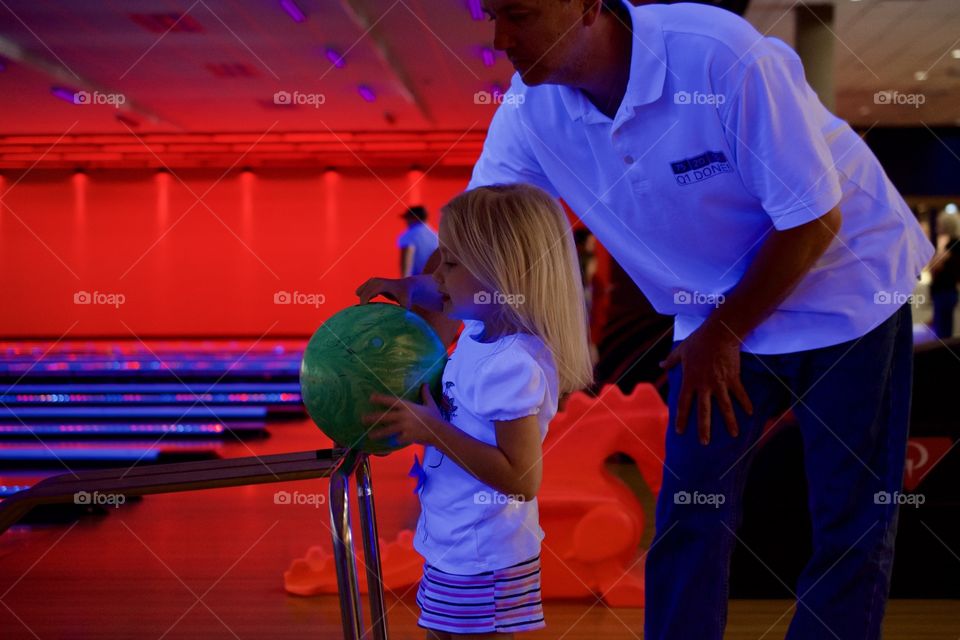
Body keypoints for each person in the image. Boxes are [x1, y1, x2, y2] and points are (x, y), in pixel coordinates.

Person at [457, 1, 934, 638]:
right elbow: (483, 230)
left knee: (850, 518)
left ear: (588, 8)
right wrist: (420, 316)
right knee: (691, 512)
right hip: (713, 313)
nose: (498, 39)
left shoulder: (718, 55)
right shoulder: (530, 108)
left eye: (518, 15)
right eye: (492, 16)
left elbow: (815, 219)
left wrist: (724, 332)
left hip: (848, 285)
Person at [358, 184, 593, 639]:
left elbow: (522, 478)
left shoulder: (511, 365)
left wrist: (432, 430)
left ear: (499, 275)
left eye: (449, 263)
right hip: (459, 544)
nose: (437, 275)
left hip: (484, 561)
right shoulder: (479, 326)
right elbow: (442, 291)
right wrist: (405, 288)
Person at [930, 233, 960, 338]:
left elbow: (933, 271)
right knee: (948, 323)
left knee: (940, 323)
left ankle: (940, 346)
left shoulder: (945, 259)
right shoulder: (957, 261)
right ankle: (946, 344)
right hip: (952, 293)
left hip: (941, 293)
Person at [398, 205, 440, 277]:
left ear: (413, 218)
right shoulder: (437, 235)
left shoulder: (409, 235)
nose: (406, 222)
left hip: (417, 280)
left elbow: (407, 259)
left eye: (407, 218)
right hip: (434, 280)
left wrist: (404, 281)